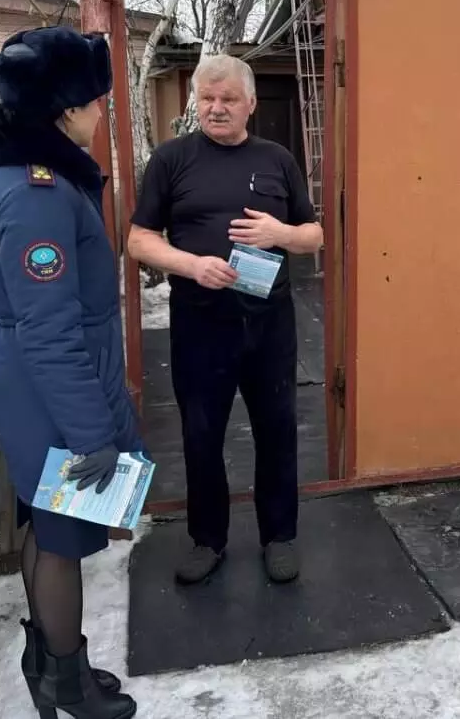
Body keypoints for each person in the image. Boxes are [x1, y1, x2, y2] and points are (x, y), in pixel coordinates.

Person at [0, 26, 142, 719]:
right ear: (64, 108)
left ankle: (50, 660)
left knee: (51, 528)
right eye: (94, 101)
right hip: (55, 391)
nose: (101, 113)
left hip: (47, 380)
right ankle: (65, 683)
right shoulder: (38, 196)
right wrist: (91, 432)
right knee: (63, 536)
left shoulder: (30, 178)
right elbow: (48, 331)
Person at [129, 54, 323, 585]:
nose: (215, 109)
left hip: (270, 323)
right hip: (200, 322)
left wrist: (279, 234)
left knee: (277, 431)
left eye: (228, 99)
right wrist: (193, 265)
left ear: (251, 104)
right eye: (207, 98)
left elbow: (315, 235)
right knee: (201, 434)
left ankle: (279, 536)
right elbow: (138, 239)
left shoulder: (278, 159)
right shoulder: (172, 160)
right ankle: (206, 540)